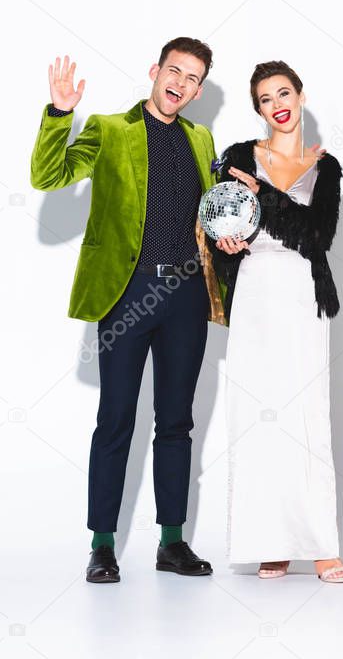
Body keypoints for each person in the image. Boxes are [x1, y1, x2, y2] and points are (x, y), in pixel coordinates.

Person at [30, 39, 226, 584]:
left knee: (177, 423)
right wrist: (59, 115)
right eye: (174, 71)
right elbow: (48, 177)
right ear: (155, 72)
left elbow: (209, 216)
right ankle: (102, 545)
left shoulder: (202, 137)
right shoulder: (110, 129)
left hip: (186, 296)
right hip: (126, 293)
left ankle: (171, 542)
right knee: (115, 420)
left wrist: (229, 236)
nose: (181, 83)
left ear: (198, 90)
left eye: (192, 78)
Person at [209, 60, 343, 583]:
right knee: (257, 413)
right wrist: (225, 245)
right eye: (266, 99)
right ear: (259, 109)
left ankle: (321, 545)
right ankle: (271, 541)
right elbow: (219, 222)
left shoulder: (327, 167)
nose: (278, 104)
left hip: (302, 295)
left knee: (308, 414)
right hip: (254, 291)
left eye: (284, 92)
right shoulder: (241, 157)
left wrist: (264, 194)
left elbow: (316, 237)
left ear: (301, 94)